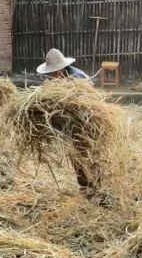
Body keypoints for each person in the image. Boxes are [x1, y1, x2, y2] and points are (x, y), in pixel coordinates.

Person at [36, 48, 100, 194]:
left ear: (61, 69)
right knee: (76, 157)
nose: (52, 76)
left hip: (87, 121)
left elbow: (91, 103)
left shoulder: (78, 79)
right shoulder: (55, 80)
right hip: (71, 125)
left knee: (90, 155)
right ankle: (85, 188)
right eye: (50, 74)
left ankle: (97, 188)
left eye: (53, 73)